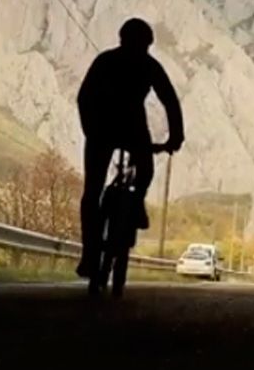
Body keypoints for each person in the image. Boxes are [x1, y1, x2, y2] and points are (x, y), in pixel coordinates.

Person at [75, 18, 184, 278]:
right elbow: (170, 101)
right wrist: (175, 138)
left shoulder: (105, 61)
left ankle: (90, 254)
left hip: (102, 128)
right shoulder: (149, 65)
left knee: (92, 192)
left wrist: (90, 130)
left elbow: (84, 97)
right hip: (132, 128)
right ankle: (136, 203)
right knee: (144, 171)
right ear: (148, 43)